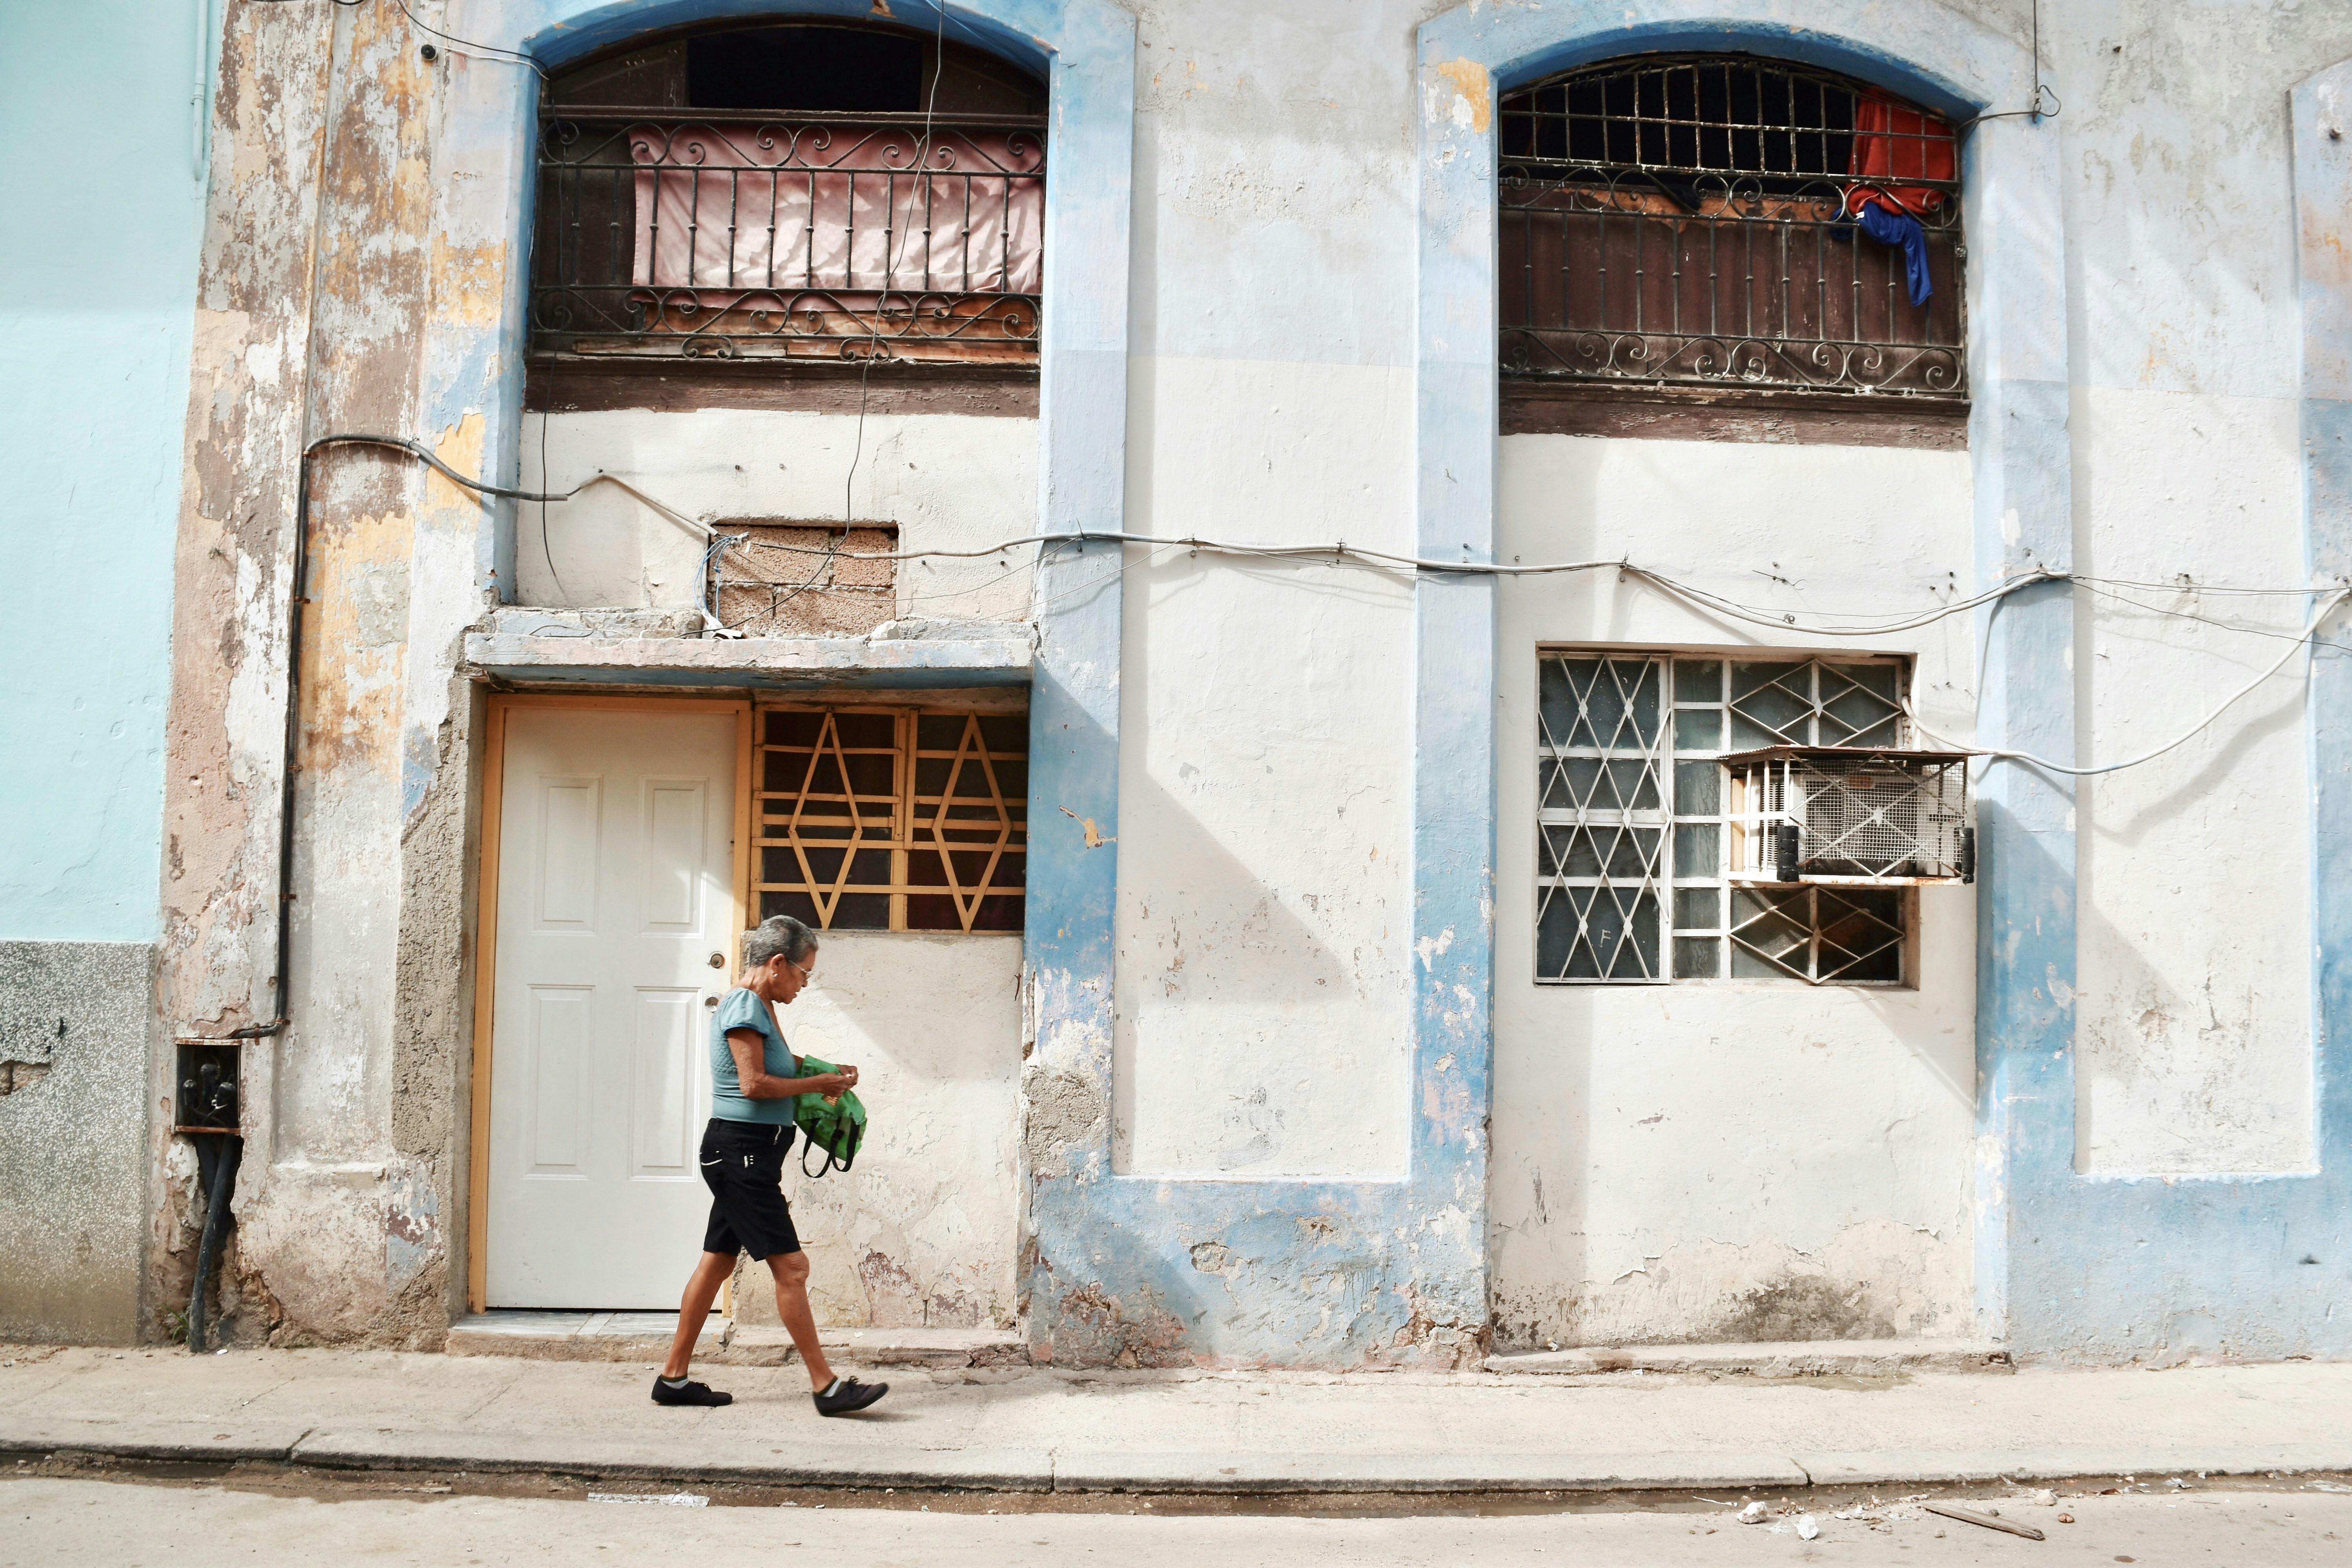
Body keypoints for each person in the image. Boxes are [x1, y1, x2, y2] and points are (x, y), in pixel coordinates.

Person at [650, 913, 888, 1416]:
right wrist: (815, 1087)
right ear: (777, 964)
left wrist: (826, 1072)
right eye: (804, 973)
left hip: (745, 1154)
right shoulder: (744, 1003)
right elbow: (753, 1083)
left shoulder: (759, 1005)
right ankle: (827, 1388)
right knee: (794, 1269)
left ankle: (673, 1379)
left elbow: (777, 1066)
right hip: (741, 1155)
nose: (804, 984)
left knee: (715, 1263)